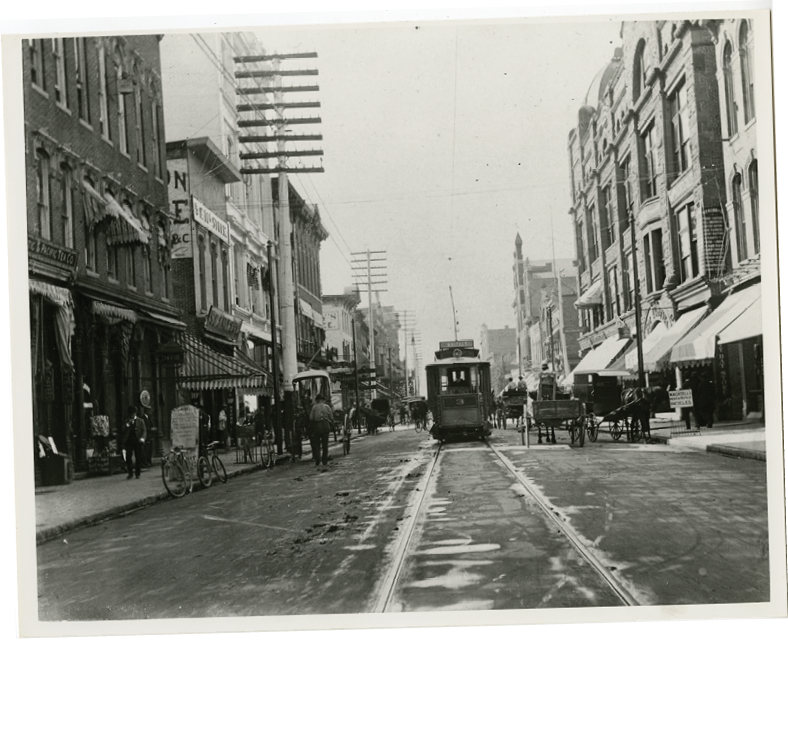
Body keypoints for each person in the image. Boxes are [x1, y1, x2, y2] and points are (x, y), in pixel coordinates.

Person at [309, 394, 335, 471]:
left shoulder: (314, 407)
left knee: (316, 443)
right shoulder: (327, 407)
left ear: (317, 400)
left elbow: (311, 418)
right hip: (326, 426)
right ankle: (324, 460)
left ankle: (318, 459)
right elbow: (331, 417)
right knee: (325, 444)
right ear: (323, 400)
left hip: (317, 426)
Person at [122, 405, 146, 480]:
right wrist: (127, 424)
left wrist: (142, 438)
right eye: (131, 414)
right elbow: (123, 430)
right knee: (128, 457)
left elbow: (144, 431)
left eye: (133, 413)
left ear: (135, 413)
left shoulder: (140, 421)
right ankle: (130, 473)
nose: (132, 415)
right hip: (129, 441)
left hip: (137, 441)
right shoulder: (126, 421)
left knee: (138, 457)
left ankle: (137, 473)